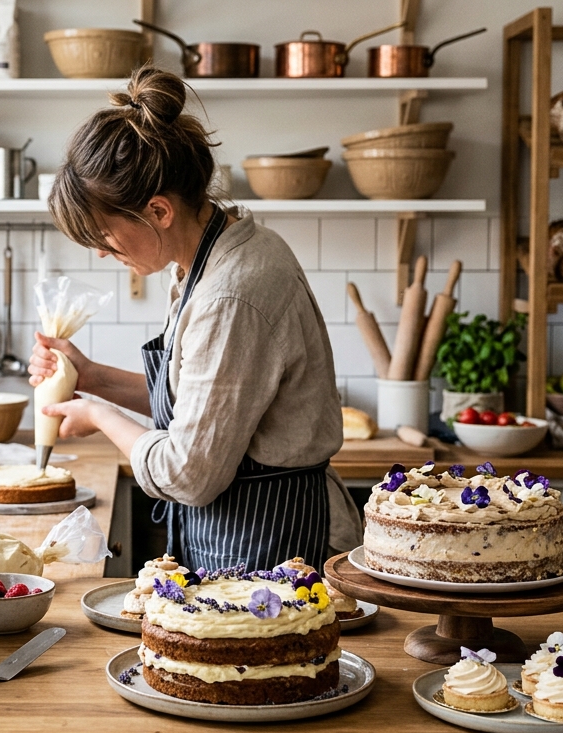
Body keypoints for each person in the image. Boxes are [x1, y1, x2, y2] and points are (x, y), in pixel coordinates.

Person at [31, 66, 355, 573]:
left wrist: (98, 416)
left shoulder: (230, 294)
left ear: (159, 211)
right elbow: (203, 403)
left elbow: (188, 472)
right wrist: (90, 378)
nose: (100, 254)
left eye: (105, 237)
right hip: (241, 536)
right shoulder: (215, 256)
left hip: (274, 548)